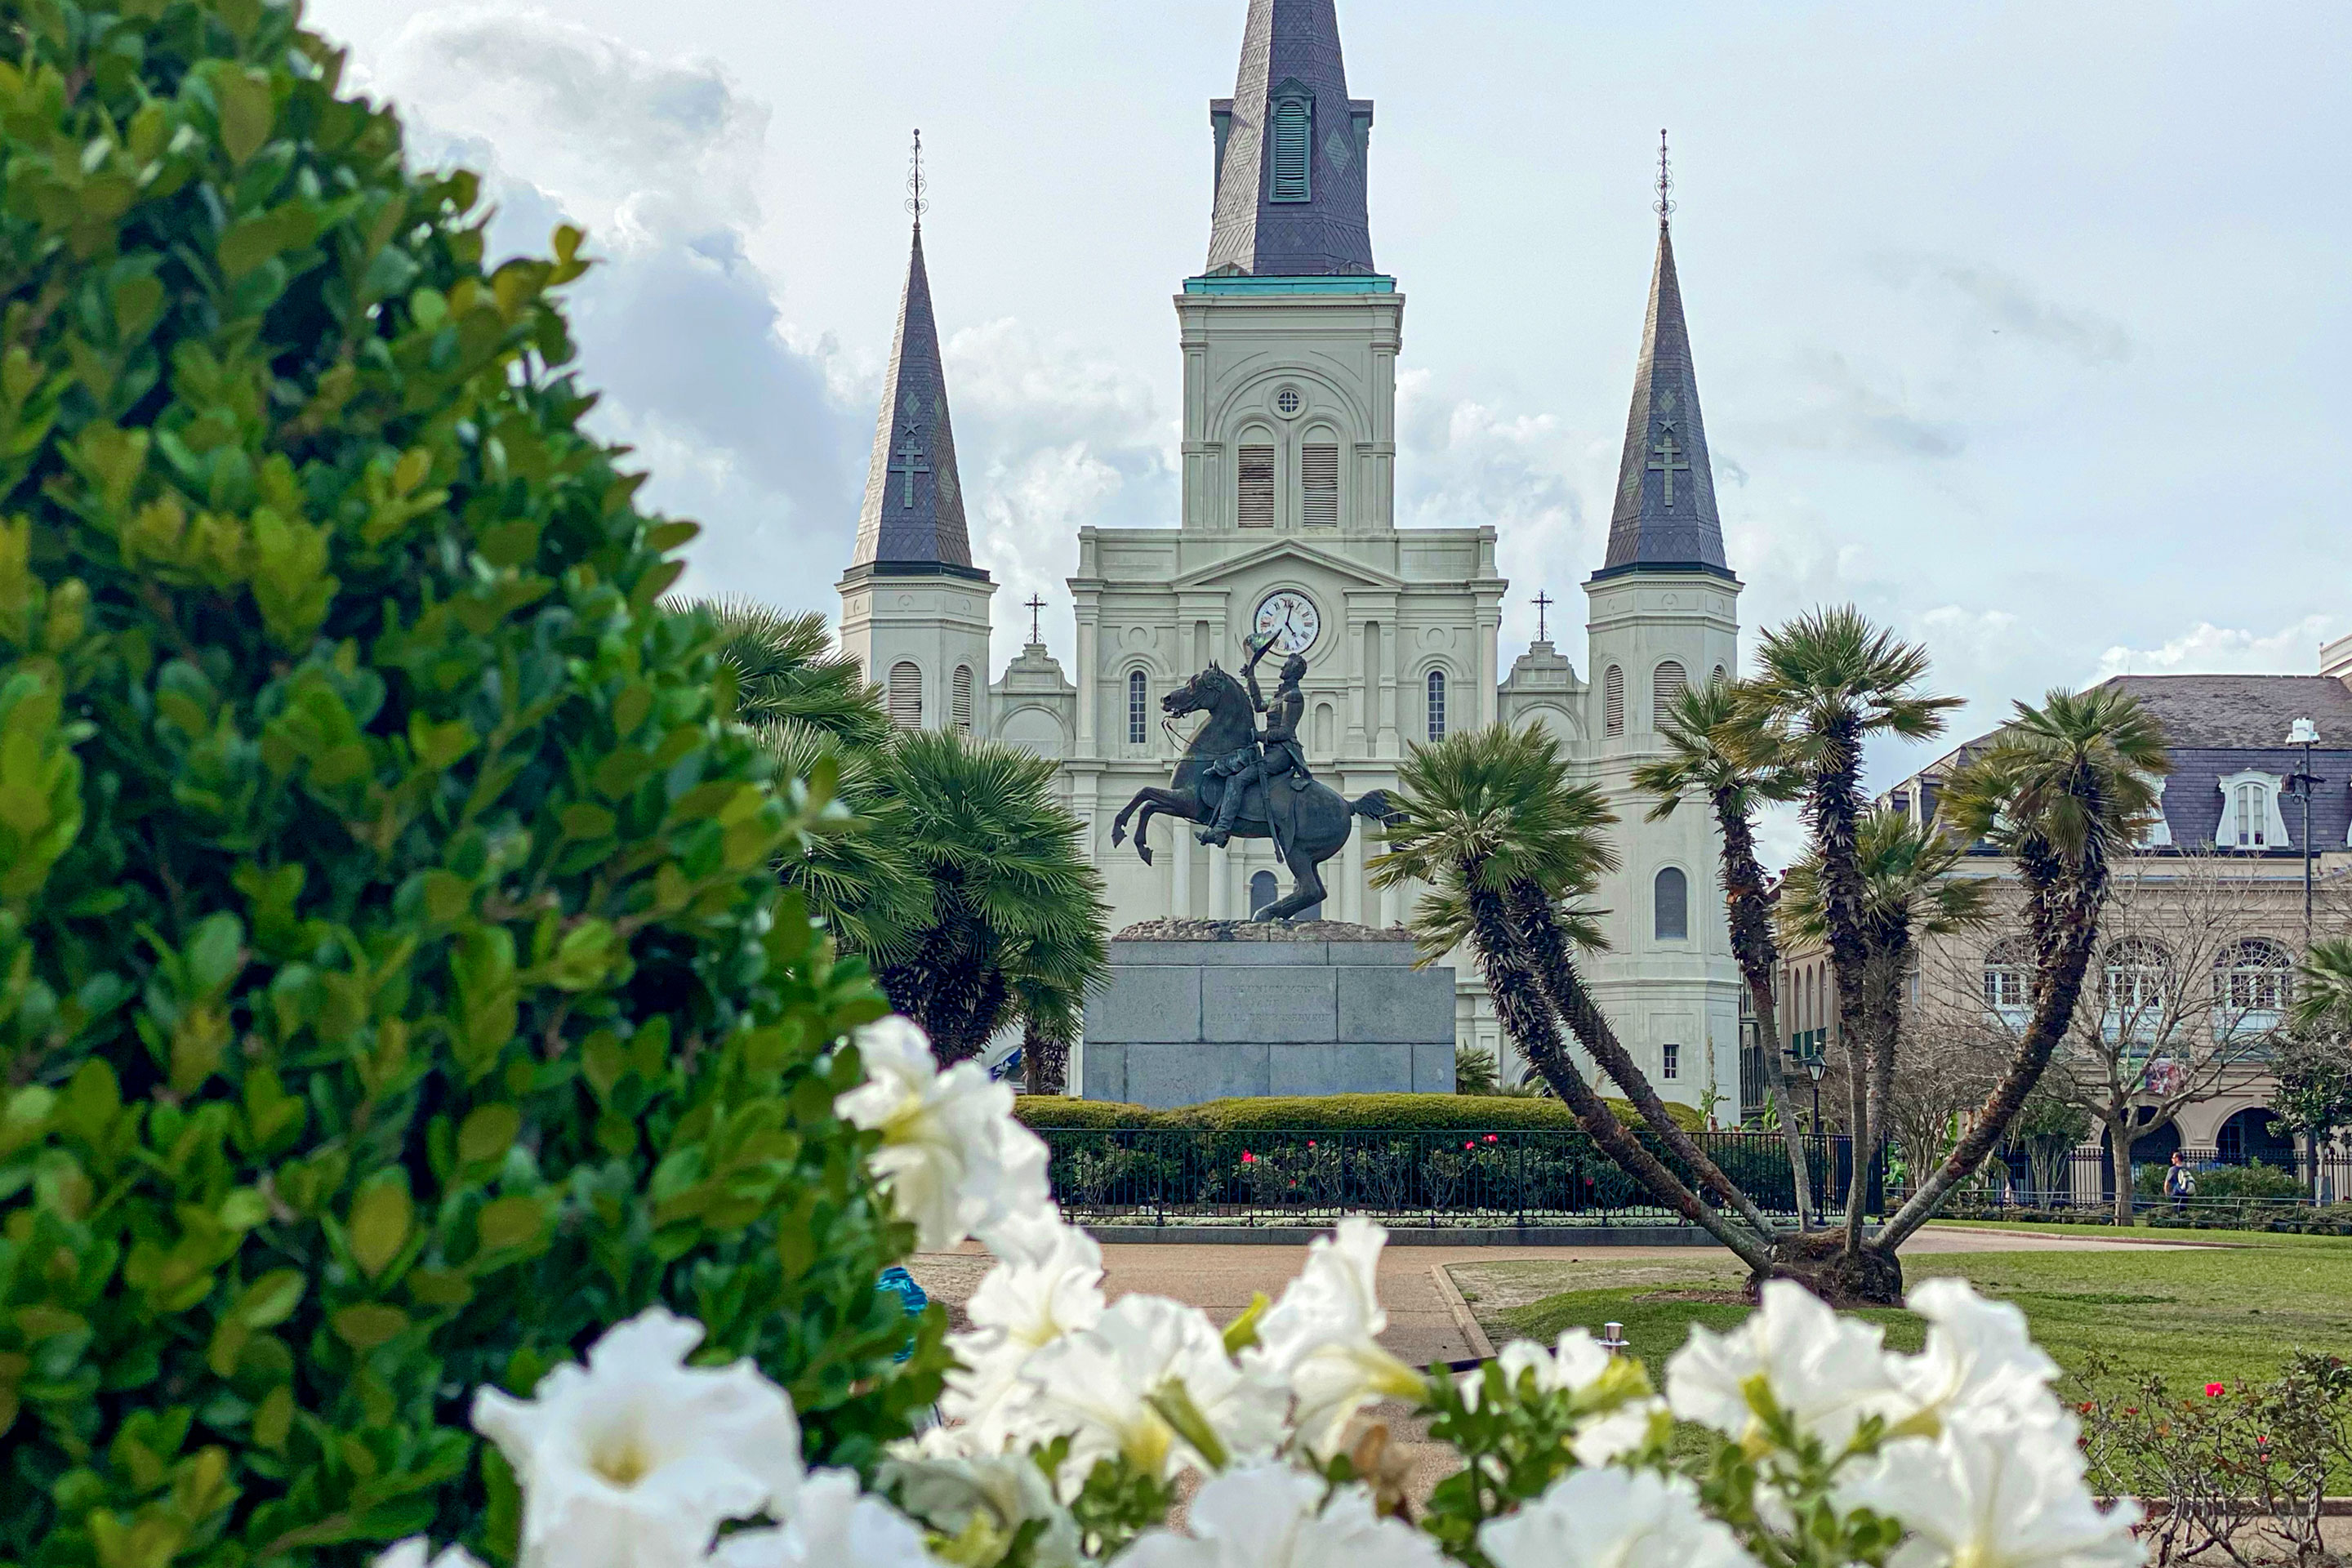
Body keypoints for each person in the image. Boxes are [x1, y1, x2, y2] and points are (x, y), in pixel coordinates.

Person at [1197, 634, 1311, 849]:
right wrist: (1251, 676)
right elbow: (1259, 704)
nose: (1281, 670)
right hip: (1269, 751)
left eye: (1285, 667)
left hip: (1282, 754)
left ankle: (1221, 831)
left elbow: (1286, 732)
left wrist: (1257, 735)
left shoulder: (1293, 696)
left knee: (1237, 780)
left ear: (1294, 672)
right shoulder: (1280, 696)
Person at [2163, 1149, 2195, 1213]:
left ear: (2177, 1159)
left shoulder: (2172, 1169)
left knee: (2176, 1212)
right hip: (2185, 1193)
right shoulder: (2186, 1168)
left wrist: (2166, 1193)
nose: (2172, 1159)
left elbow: (2167, 1183)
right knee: (2184, 1211)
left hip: (2176, 1193)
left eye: (2173, 1158)